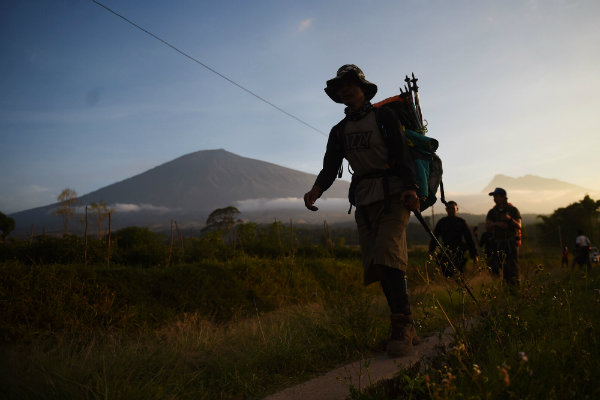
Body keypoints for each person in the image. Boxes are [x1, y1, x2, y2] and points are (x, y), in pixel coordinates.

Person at [303, 64, 420, 357]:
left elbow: (400, 152)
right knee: (378, 264)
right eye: (340, 88)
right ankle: (403, 323)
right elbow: (330, 166)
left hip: (393, 192)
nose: (345, 90)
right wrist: (316, 190)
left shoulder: (384, 116)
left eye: (350, 85)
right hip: (365, 197)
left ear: (362, 89)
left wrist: (410, 186)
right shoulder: (339, 131)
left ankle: (402, 325)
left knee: (388, 255)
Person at [428, 201, 478, 277]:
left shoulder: (461, 222)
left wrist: (474, 255)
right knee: (447, 276)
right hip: (445, 253)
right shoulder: (442, 222)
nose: (451, 210)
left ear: (456, 209)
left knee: (460, 276)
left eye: (452, 208)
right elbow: (435, 238)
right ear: (446, 210)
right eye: (449, 208)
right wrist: (431, 251)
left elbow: (469, 240)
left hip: (459, 253)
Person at [485, 187, 522, 286]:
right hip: (497, 244)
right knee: (495, 267)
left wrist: (509, 219)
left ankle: (514, 291)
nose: (494, 198)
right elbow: (487, 226)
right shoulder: (492, 212)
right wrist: (497, 224)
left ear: (503, 197)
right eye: (494, 196)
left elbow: (519, 225)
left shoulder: (513, 210)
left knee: (512, 269)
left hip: (511, 244)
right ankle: (500, 289)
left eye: (496, 196)